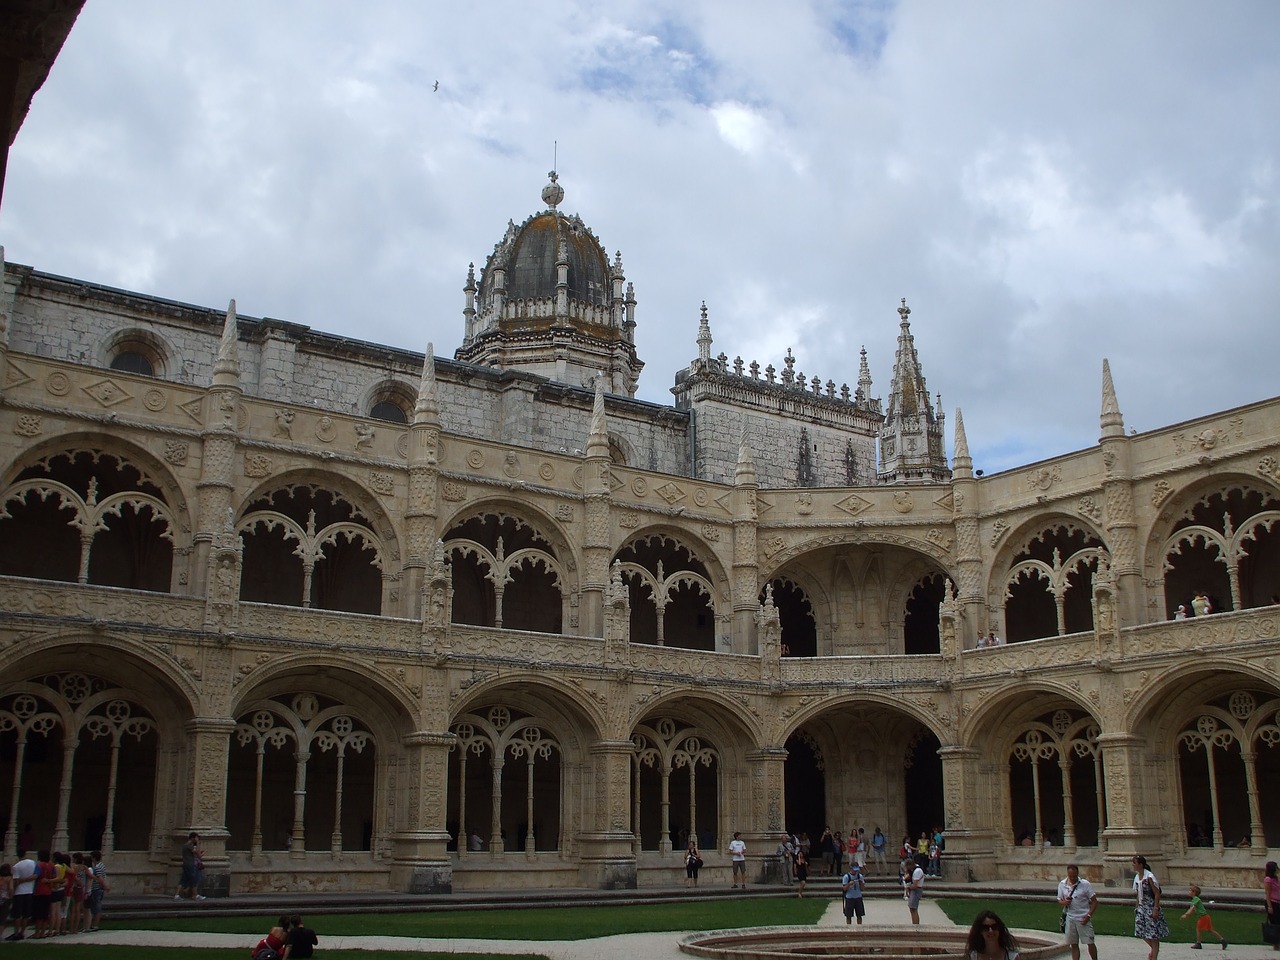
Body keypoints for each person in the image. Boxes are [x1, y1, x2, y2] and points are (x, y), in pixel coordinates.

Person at [1058, 863, 1098, 960]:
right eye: (1070, 876)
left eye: (1074, 876)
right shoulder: (1062, 884)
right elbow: (1059, 900)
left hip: (1083, 917)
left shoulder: (1085, 884)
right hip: (1070, 917)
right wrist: (1065, 902)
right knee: (1074, 944)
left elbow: (1095, 902)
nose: (1072, 878)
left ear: (1077, 874)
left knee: (1090, 942)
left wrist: (1088, 915)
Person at [1132, 854, 1168, 960]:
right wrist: (1136, 906)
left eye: (1135, 863)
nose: (1133, 865)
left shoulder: (1149, 877)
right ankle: (1154, 950)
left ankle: (1154, 956)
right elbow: (1138, 893)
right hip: (1142, 908)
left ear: (1141, 864)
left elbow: (1157, 893)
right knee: (1141, 932)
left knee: (1153, 934)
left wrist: (1155, 909)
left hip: (1150, 906)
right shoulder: (1137, 877)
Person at [1180, 883, 1226, 949]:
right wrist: (1187, 915)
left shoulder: (1196, 899)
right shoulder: (1195, 899)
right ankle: (1222, 940)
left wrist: (1186, 915)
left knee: (1198, 929)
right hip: (1206, 916)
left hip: (1203, 917)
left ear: (1194, 892)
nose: (1188, 892)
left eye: (1190, 890)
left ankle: (1198, 943)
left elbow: (1192, 908)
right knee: (1210, 930)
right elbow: (1193, 910)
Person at [7, 850, 35, 941]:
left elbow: (16, 881)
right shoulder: (32, 863)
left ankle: (16, 932)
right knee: (26, 914)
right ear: (25, 854)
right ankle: (22, 932)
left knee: (17, 914)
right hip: (29, 891)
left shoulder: (16, 866)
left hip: (19, 892)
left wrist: (12, 893)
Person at [176, 831, 207, 901]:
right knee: (194, 880)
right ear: (193, 838)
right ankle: (195, 895)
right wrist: (198, 843)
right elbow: (198, 855)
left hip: (185, 864)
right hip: (190, 864)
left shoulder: (185, 845)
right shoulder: (189, 846)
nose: (197, 839)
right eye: (196, 837)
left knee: (183, 880)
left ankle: (177, 895)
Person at [85, 850, 107, 932]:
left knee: (95, 908)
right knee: (96, 906)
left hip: (96, 889)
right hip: (99, 889)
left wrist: (105, 886)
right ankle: (94, 925)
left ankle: (94, 925)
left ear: (94, 858)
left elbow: (100, 879)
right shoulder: (102, 865)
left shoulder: (97, 867)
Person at [904, 854, 925, 924]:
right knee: (911, 908)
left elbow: (915, 885)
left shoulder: (917, 871)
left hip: (916, 890)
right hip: (913, 890)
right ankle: (914, 923)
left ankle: (916, 924)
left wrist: (908, 888)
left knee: (913, 908)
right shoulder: (913, 870)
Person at [1265, 861, 1280, 950]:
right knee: (1275, 923)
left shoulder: (1276, 879)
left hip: (1278, 902)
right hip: (1272, 903)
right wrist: (1269, 906)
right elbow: (1267, 893)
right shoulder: (1268, 879)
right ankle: (1275, 943)